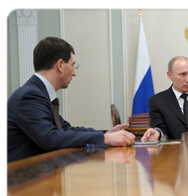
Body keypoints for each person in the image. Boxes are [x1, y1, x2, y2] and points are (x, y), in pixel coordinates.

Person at [5, 37, 135, 163]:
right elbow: (50, 138)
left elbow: (66, 129)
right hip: (20, 179)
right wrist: (104, 138)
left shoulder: (38, 92)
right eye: (73, 65)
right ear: (60, 65)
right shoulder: (30, 96)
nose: (74, 73)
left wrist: (106, 133)